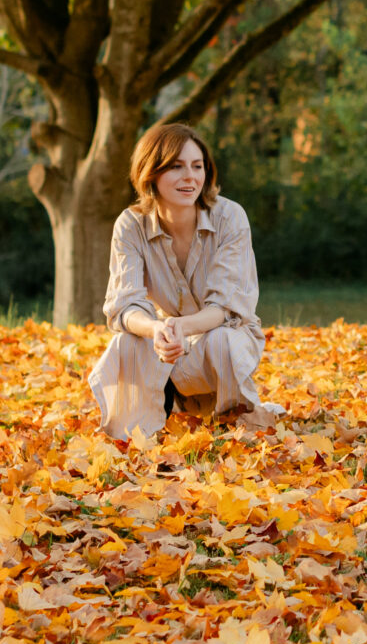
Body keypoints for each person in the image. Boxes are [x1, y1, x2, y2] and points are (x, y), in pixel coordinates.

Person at [86, 122, 277, 438]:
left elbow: (227, 307)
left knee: (222, 339)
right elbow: (124, 305)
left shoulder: (230, 217)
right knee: (127, 341)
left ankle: (237, 419)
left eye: (197, 166)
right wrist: (157, 329)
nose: (190, 177)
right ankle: (138, 429)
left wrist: (181, 327)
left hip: (222, 335)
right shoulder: (130, 225)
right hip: (170, 344)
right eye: (176, 167)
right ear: (152, 172)